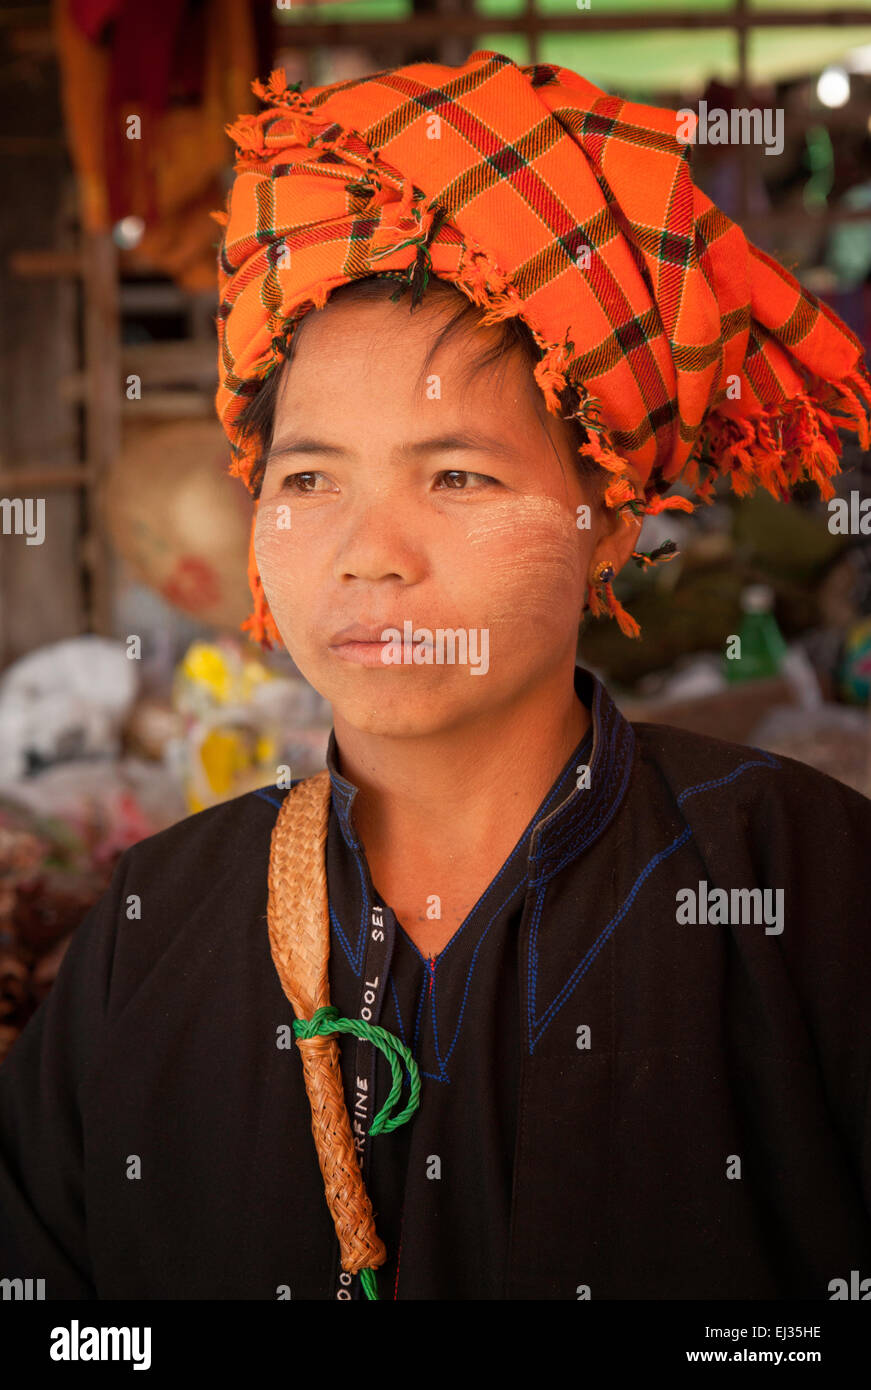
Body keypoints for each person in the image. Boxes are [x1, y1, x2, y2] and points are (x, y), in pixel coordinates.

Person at [2, 49, 871, 1302]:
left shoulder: (807, 894)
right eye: (308, 480)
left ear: (609, 517)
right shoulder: (156, 928)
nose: (368, 555)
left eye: (458, 475)